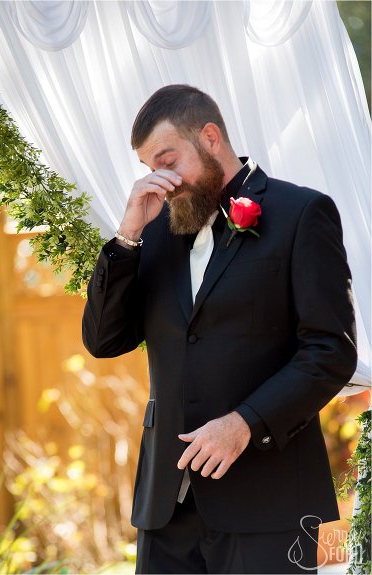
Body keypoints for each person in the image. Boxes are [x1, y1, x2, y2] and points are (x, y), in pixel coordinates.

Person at [82, 85, 357, 574]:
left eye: (168, 160)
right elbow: (104, 340)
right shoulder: (158, 228)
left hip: (267, 498)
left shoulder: (302, 214)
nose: (162, 180)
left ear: (210, 137)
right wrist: (126, 238)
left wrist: (244, 422)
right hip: (166, 503)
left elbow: (330, 351)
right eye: (151, 169)